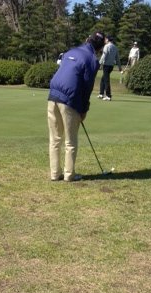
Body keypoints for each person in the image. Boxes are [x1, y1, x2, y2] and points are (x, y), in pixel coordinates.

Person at [47, 32, 105, 182]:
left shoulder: (71, 51)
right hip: (69, 99)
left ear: (87, 40)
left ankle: (55, 174)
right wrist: (84, 110)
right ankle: (69, 175)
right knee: (70, 141)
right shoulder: (92, 60)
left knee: (55, 138)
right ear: (100, 48)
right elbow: (87, 87)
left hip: (52, 95)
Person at [98, 35, 122, 101]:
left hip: (106, 65)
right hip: (111, 66)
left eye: (105, 39)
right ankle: (101, 94)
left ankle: (108, 96)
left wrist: (99, 63)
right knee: (103, 79)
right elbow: (117, 58)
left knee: (106, 80)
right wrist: (119, 67)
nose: (105, 40)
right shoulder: (115, 47)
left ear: (108, 40)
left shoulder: (106, 46)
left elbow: (104, 55)